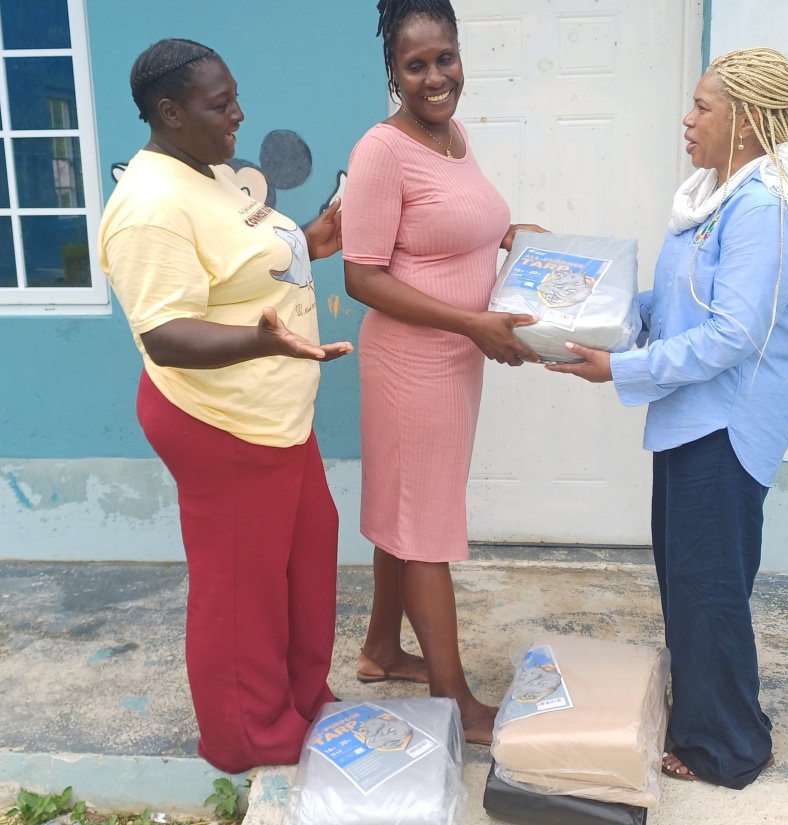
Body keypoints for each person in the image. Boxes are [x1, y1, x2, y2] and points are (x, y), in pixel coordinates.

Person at [548, 47, 788, 788]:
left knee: (709, 592)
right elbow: (675, 308)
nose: (687, 118)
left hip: (726, 426)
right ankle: (709, 714)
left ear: (745, 124)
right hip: (689, 418)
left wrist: (622, 367)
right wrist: (588, 311)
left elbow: (734, 335)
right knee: (690, 583)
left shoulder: (765, 209)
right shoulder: (715, 197)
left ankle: (731, 746)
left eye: (703, 107)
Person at [97, 38, 353, 774]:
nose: (238, 114)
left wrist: (309, 241)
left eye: (236, 95)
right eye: (220, 104)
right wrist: (264, 344)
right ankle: (248, 734)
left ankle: (300, 701)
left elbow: (234, 272)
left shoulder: (203, 173)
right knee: (241, 586)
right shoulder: (148, 205)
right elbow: (167, 332)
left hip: (274, 415)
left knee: (304, 563)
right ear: (169, 112)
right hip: (221, 421)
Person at [342, 0, 545, 746]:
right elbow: (362, 275)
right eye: (416, 64)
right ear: (391, 72)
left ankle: (379, 649)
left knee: (407, 510)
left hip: (457, 360)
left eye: (446, 58)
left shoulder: (453, 137)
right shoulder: (381, 150)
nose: (436, 77)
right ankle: (454, 697)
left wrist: (514, 238)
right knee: (425, 524)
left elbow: (454, 230)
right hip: (412, 363)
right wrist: (470, 322)